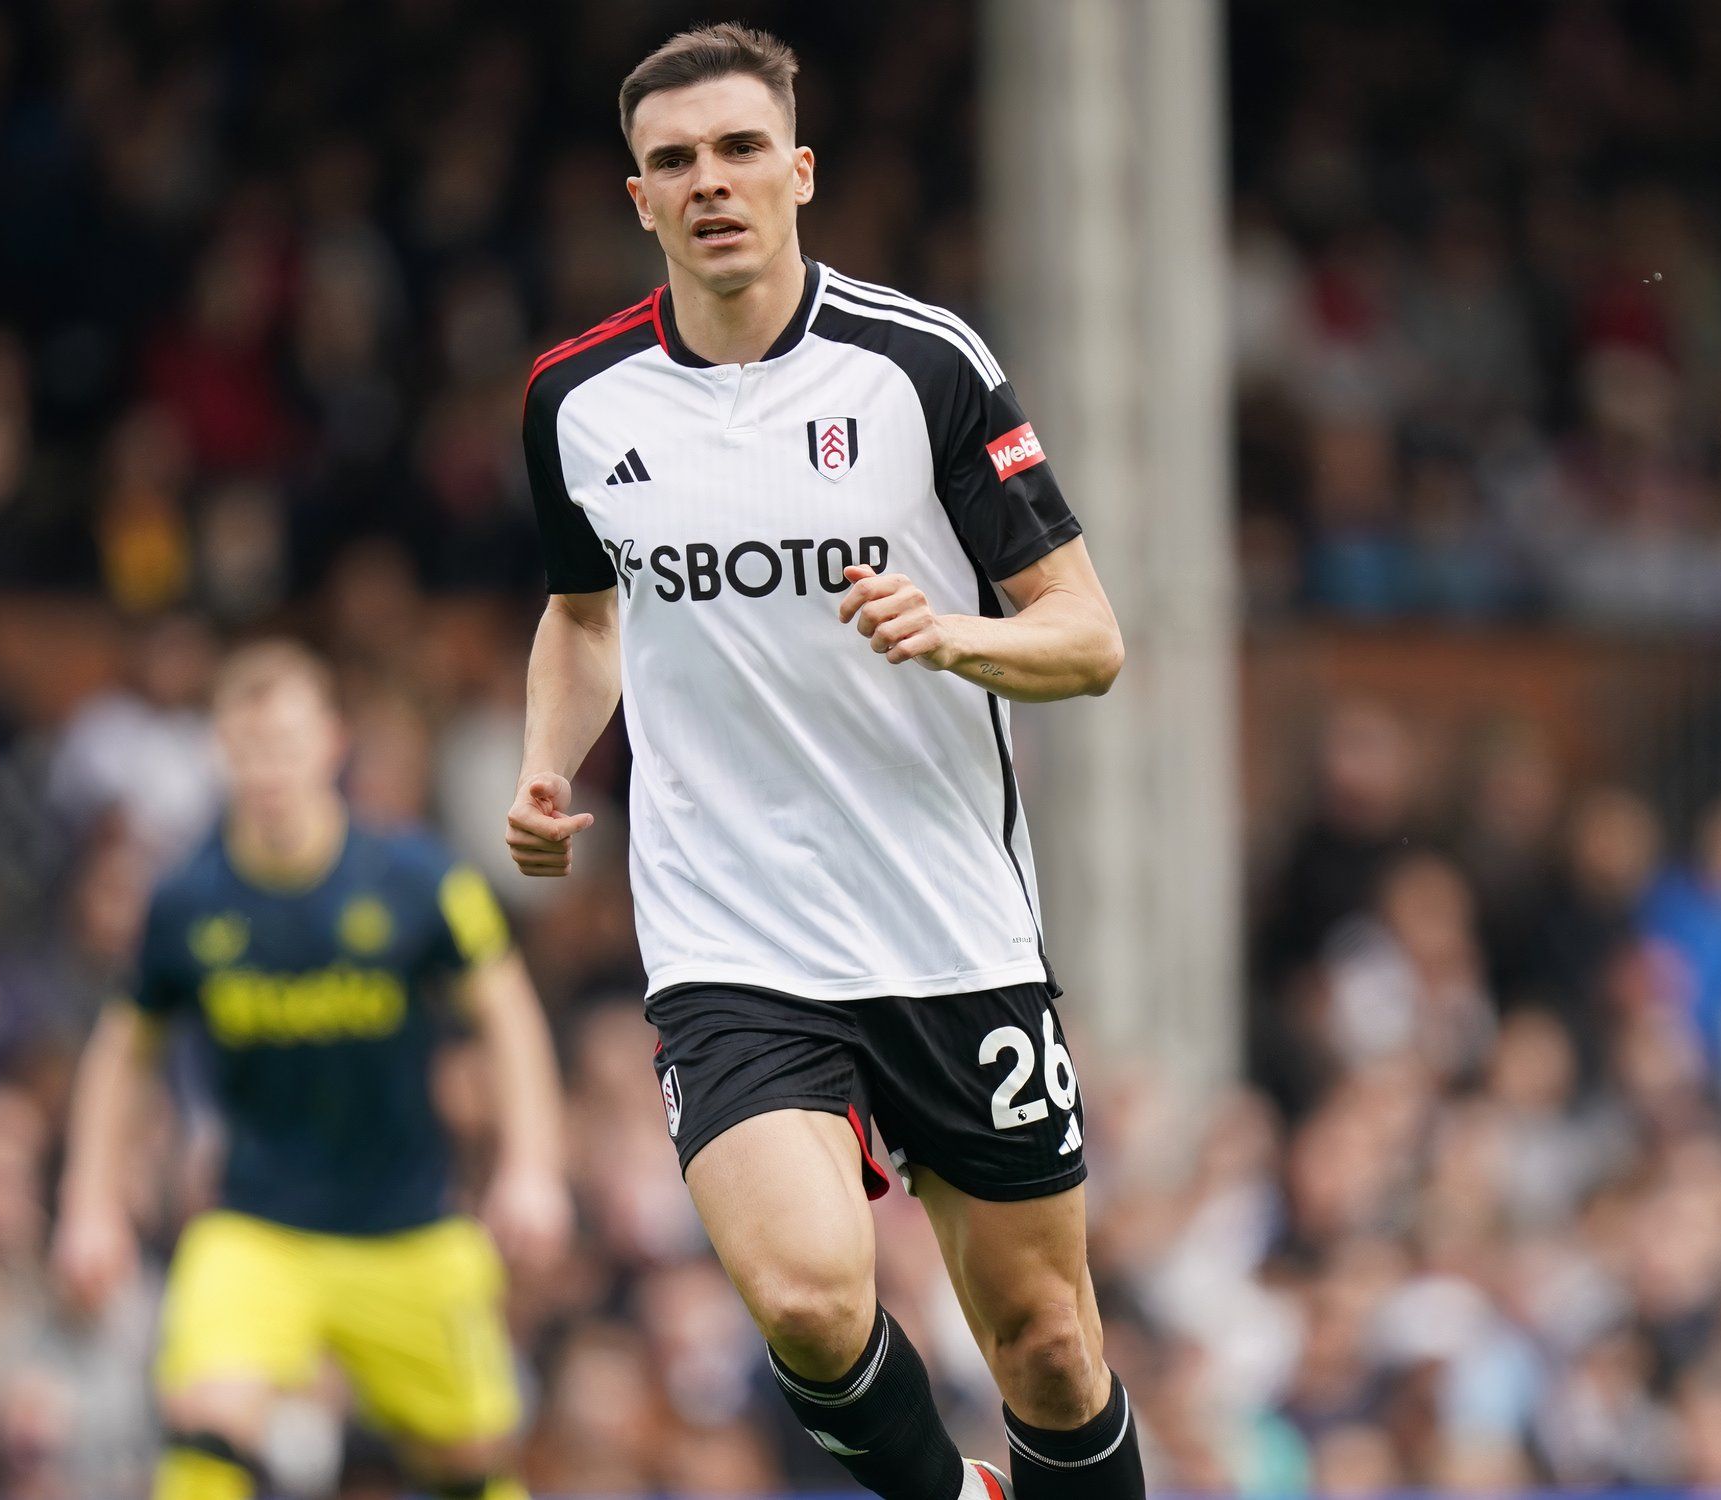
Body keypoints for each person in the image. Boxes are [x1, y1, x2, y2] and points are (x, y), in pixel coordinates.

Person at [509, 22, 1137, 1500]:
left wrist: (952, 636)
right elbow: (580, 613)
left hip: (945, 923)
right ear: (638, 199)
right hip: (731, 931)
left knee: (1045, 1340)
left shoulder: (922, 366)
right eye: (675, 162)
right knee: (806, 1299)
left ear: (798, 171)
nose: (709, 182)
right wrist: (550, 764)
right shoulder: (576, 402)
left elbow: (1091, 641)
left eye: (738, 151)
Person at [56, 642, 570, 1500]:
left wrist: (533, 1169)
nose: (268, 767)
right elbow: (122, 1047)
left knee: (475, 1467)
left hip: (407, 1227)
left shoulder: (417, 880)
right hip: (256, 1227)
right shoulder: (185, 902)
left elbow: (508, 1013)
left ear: (331, 743)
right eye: (248, 744)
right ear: (220, 750)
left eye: (286, 741)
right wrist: (88, 1204)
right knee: (205, 1427)